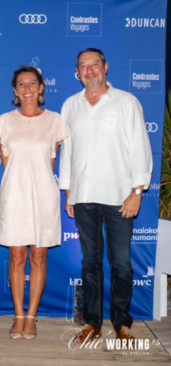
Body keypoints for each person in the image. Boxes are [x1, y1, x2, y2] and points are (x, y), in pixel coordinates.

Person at [59, 48, 152, 343]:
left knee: (121, 264)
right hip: (83, 195)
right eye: (83, 66)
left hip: (119, 196)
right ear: (77, 72)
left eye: (94, 65)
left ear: (105, 67)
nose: (89, 70)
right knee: (90, 263)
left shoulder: (126, 102)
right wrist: (69, 192)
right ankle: (92, 323)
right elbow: (67, 151)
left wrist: (137, 191)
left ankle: (122, 323)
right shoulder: (70, 105)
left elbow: (140, 147)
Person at [0, 66, 68, 340]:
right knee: (16, 256)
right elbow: (7, 163)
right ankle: (18, 316)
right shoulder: (5, 121)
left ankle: (31, 317)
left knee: (38, 256)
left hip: (44, 195)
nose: (27, 89)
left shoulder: (54, 120)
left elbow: (51, 162)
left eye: (32, 83)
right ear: (15, 90)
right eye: (21, 84)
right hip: (14, 195)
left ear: (41, 88)